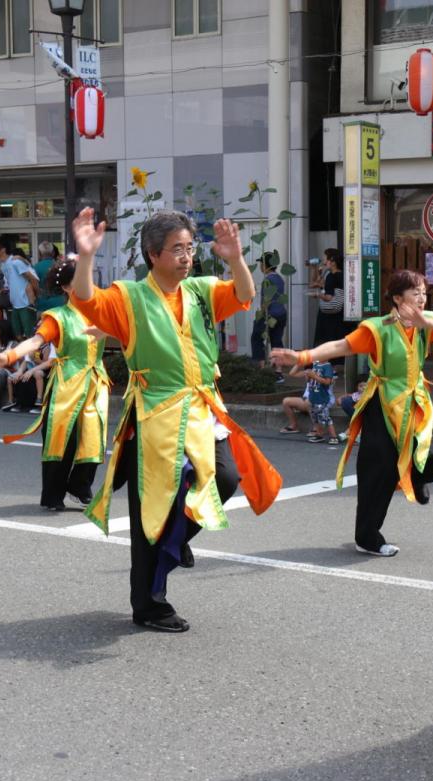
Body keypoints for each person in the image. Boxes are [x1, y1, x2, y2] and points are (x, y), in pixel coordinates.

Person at [69, 207, 282, 633]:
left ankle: (175, 542)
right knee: (154, 509)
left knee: (224, 479)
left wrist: (235, 257)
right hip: (156, 416)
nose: (186, 257)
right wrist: (87, 256)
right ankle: (149, 605)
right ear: (153, 255)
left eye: (190, 248)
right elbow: (86, 300)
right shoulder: (129, 297)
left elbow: (243, 294)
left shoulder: (201, 291)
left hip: (202, 408)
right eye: (176, 249)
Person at [272, 270, 433, 557]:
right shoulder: (378, 327)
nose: (422, 298)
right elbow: (341, 346)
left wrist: (426, 321)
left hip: (414, 404)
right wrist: (303, 357)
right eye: (415, 293)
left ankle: (416, 478)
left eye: (424, 292)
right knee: (378, 473)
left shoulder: (427, 322)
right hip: (382, 405)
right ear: (398, 299)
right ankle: (368, 536)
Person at [0, 259, 110, 512]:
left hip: (95, 381)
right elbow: (35, 342)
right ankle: (53, 493)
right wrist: (9, 356)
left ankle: (79, 485)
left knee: (93, 437)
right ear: (66, 287)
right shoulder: (58, 316)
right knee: (60, 440)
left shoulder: (100, 311)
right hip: (66, 382)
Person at [0, 234, 39, 339]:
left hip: (26, 305)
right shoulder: (4, 265)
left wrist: (36, 296)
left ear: (3, 249)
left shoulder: (15, 262)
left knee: (30, 337)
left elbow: (33, 279)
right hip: (14, 305)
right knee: (17, 336)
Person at [250, 253, 288, 368]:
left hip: (270, 315)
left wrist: (260, 314)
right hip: (281, 314)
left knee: (256, 337)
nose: (260, 266)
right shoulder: (279, 278)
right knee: (276, 341)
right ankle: (279, 372)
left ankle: (261, 368)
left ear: (266, 265)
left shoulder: (267, 280)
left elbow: (267, 301)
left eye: (261, 263)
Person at [5, 340, 54, 413]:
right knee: (12, 378)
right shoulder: (31, 348)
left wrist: (34, 359)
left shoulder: (46, 348)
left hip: (42, 370)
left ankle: (39, 400)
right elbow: (26, 362)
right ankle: (12, 401)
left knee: (37, 373)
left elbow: (46, 364)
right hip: (29, 369)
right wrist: (19, 371)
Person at [313, 248, 346, 347]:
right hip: (340, 313)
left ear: (332, 261)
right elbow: (320, 284)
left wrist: (318, 295)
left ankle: (324, 362)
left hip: (328, 315)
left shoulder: (331, 276)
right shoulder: (342, 275)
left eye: (325, 259)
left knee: (325, 342)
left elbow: (328, 297)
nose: (324, 261)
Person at [305, 359, 340, 445]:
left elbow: (327, 382)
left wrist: (314, 376)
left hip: (322, 397)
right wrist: (308, 376)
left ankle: (334, 436)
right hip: (313, 396)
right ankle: (319, 434)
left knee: (325, 417)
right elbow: (309, 381)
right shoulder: (315, 365)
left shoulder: (327, 366)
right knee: (315, 417)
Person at [33, 242, 66, 313]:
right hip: (60, 303)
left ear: (39, 253)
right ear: (53, 253)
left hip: (43, 304)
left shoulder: (35, 268)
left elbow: (33, 288)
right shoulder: (61, 266)